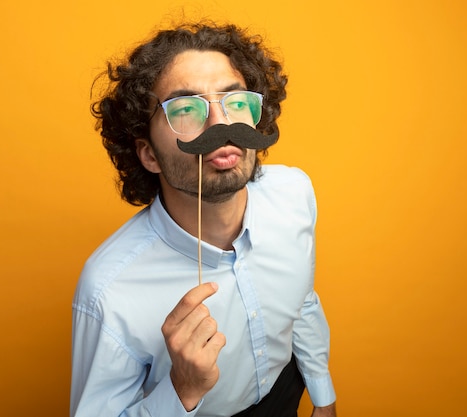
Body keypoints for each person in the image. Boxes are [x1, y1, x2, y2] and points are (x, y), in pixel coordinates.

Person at [71, 21, 337, 417]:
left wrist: (323, 396)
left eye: (235, 101)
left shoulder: (293, 194)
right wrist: (181, 391)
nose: (221, 125)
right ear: (147, 154)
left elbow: (302, 300)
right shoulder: (108, 291)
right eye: (185, 109)